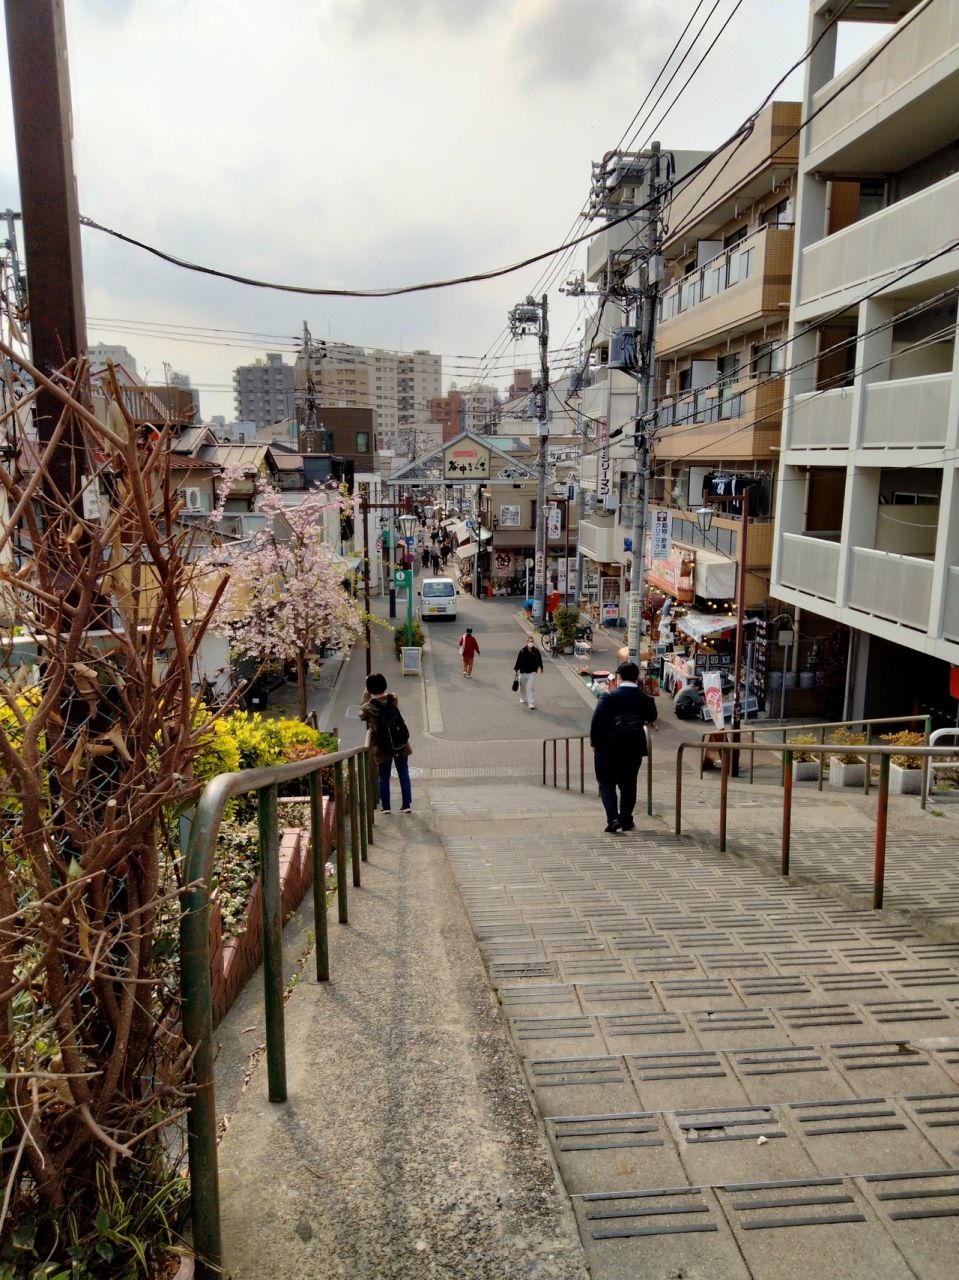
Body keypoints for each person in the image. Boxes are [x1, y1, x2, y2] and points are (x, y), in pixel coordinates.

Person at [590, 661, 657, 834]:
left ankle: (613, 818)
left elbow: (596, 722)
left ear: (618, 677)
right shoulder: (645, 699)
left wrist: (595, 744)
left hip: (608, 747)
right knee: (628, 784)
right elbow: (652, 716)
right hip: (633, 749)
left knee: (606, 783)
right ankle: (626, 819)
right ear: (637, 678)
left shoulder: (608, 697)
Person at [359, 672, 413, 813]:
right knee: (403, 773)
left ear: (369, 688)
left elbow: (361, 715)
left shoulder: (368, 706)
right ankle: (406, 804)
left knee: (384, 776)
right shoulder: (393, 698)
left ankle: (386, 807)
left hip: (382, 745)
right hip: (399, 741)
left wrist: (365, 695)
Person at [513, 635, 543, 710]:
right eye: (530, 641)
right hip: (523, 672)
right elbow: (518, 661)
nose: (531, 643)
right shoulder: (522, 651)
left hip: (532, 673)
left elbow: (539, 659)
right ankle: (522, 697)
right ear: (526, 642)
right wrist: (516, 670)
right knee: (522, 687)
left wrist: (541, 667)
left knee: (530, 688)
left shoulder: (536, 651)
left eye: (532, 642)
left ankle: (531, 703)